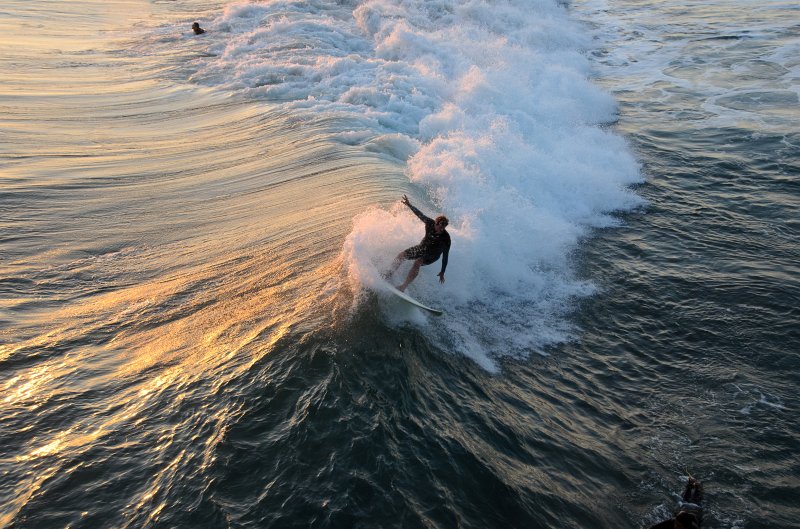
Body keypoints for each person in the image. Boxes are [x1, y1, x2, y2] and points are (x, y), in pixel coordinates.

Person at [387, 195, 451, 292]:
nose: (441, 230)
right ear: (436, 223)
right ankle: (388, 274)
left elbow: (445, 256)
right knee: (401, 255)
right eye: (440, 227)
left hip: (432, 255)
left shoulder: (446, 238)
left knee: (417, 262)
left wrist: (442, 271)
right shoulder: (429, 222)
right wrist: (409, 205)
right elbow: (419, 214)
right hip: (422, 247)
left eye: (443, 228)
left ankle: (403, 287)